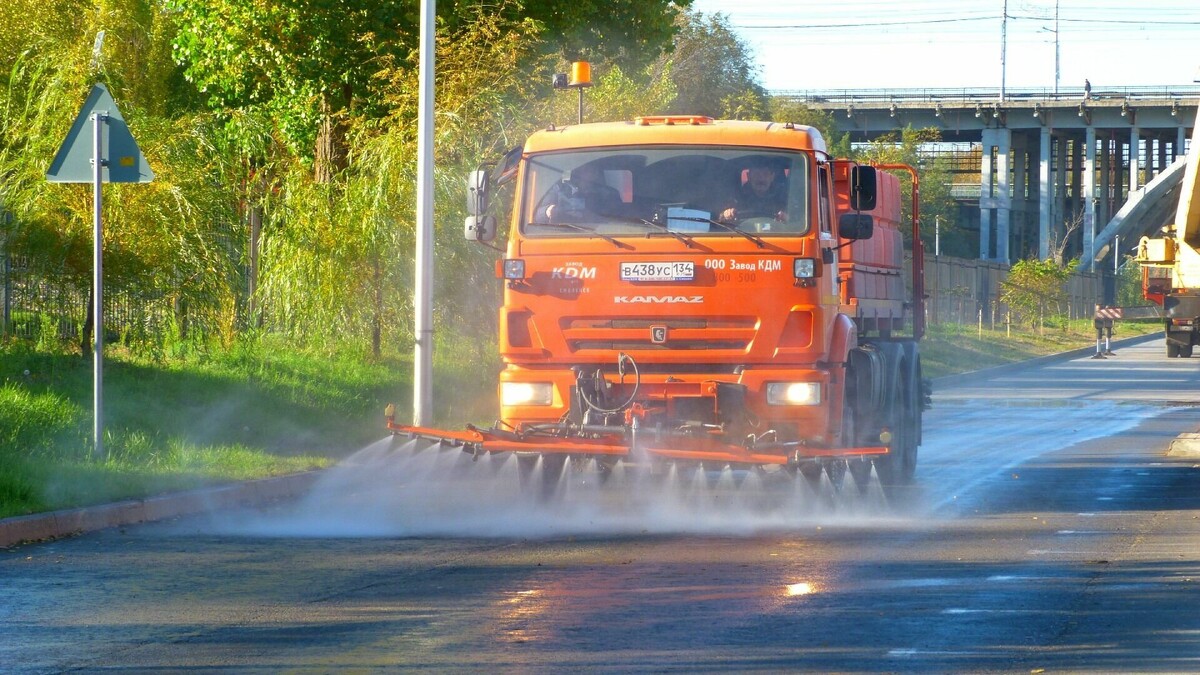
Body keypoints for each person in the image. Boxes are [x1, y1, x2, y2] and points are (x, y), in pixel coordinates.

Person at [537, 164, 622, 223]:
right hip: (561, 234)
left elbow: (621, 221)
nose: (580, 172)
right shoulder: (558, 190)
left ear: (597, 172)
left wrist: (593, 216)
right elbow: (533, 216)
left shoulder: (609, 194)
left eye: (589, 169)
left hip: (601, 236)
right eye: (580, 168)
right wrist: (548, 211)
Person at [719, 160, 787, 222]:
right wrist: (726, 214)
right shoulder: (736, 198)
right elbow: (719, 221)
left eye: (765, 174)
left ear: (772, 177)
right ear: (748, 176)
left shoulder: (784, 198)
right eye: (756, 174)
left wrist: (787, 218)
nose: (761, 179)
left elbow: (796, 220)